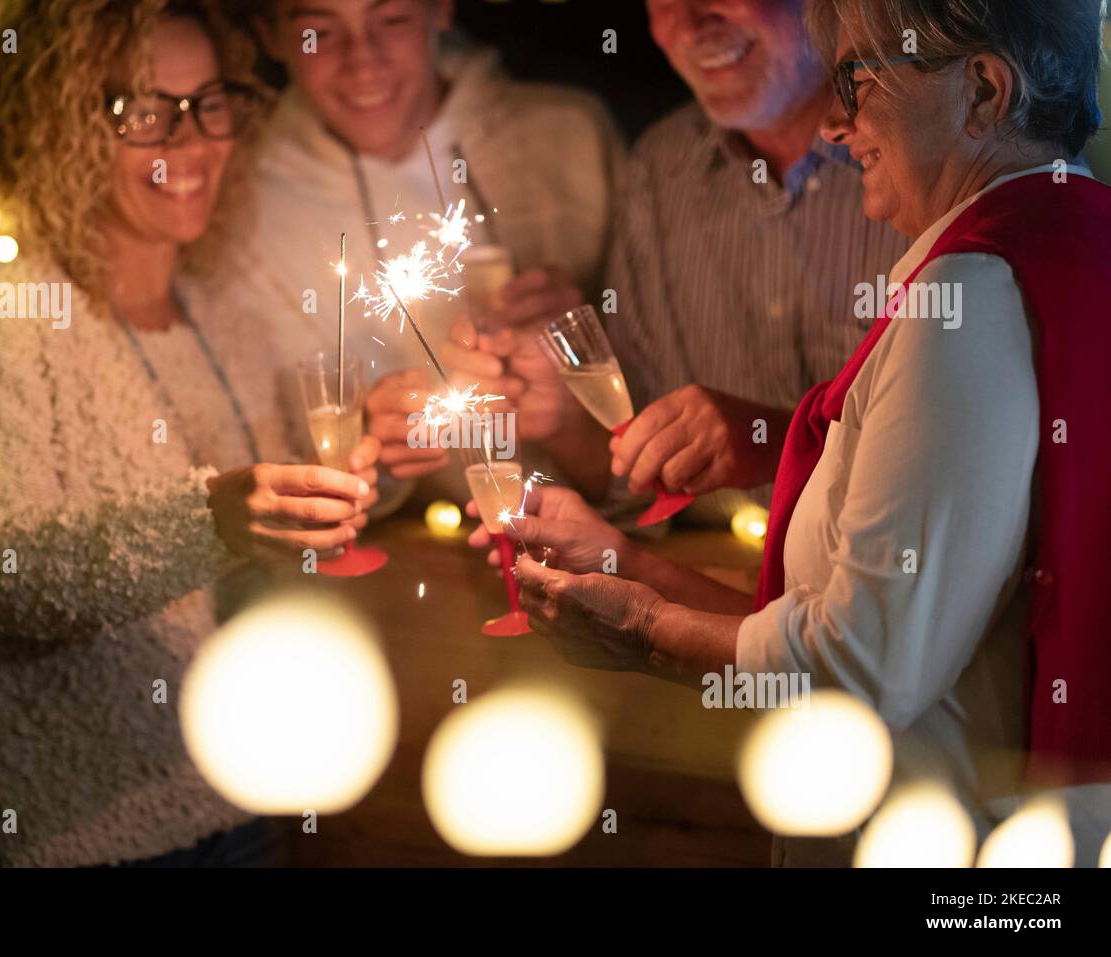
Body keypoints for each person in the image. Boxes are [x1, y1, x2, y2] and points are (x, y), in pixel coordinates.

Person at [476, 0, 1111, 865]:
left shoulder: (967, 292)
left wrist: (644, 629)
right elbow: (873, 616)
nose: (840, 121)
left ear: (984, 93)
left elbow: (862, 667)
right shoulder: (1074, 234)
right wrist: (628, 567)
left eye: (858, 77)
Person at [0, 0, 380, 867]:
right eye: (140, 112)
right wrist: (211, 522)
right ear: (55, 125)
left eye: (210, 102)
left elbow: (281, 522)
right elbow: (3, 578)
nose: (191, 143)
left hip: (243, 800)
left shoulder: (222, 304)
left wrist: (370, 451)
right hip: (65, 836)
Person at [439, 0, 909, 516]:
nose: (692, 23)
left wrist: (775, 444)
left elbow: (969, 462)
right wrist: (564, 419)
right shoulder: (660, 172)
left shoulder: (927, 156)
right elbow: (634, 484)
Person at [237, 0, 620, 487]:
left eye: (392, 19)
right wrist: (367, 447)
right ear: (271, 36)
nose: (363, 61)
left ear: (440, 9)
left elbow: (662, 385)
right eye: (321, 32)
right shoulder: (247, 199)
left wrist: (579, 352)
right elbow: (266, 450)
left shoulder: (569, 135)